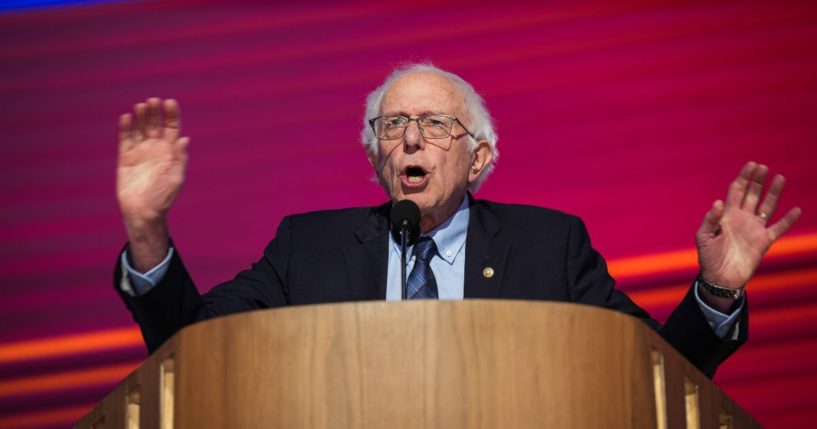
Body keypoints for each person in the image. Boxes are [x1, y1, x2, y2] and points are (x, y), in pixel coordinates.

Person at [114, 64, 801, 376]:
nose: (411, 140)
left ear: (479, 159)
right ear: (375, 153)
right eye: (393, 125)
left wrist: (714, 291)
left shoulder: (547, 246)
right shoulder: (308, 246)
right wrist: (147, 230)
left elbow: (652, 369)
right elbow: (191, 352)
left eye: (436, 124)